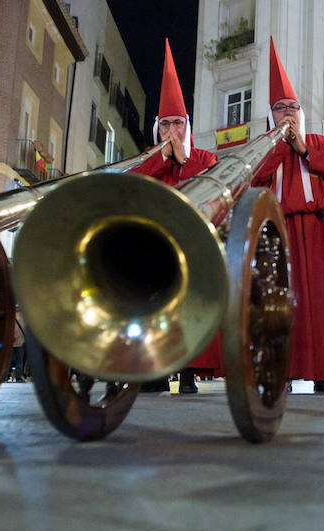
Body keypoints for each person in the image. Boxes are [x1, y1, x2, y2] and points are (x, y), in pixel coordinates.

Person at [252, 37, 324, 393]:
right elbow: (255, 177)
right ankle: (282, 372)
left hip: (318, 229)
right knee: (279, 302)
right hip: (277, 232)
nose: (287, 113)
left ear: (301, 112)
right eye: (280, 108)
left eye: (292, 107)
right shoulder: (263, 147)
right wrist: (281, 147)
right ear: (271, 114)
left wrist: (303, 148)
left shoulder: (320, 143)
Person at [131, 39, 219, 394]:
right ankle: (152, 371)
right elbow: (133, 185)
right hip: (154, 243)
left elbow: (210, 187)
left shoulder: (203, 157)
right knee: (153, 310)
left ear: (187, 126)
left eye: (176, 124)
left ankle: (187, 372)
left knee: (187, 311)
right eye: (165, 125)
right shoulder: (147, 160)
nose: (171, 132)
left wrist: (181, 161)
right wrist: (160, 159)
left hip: (191, 242)